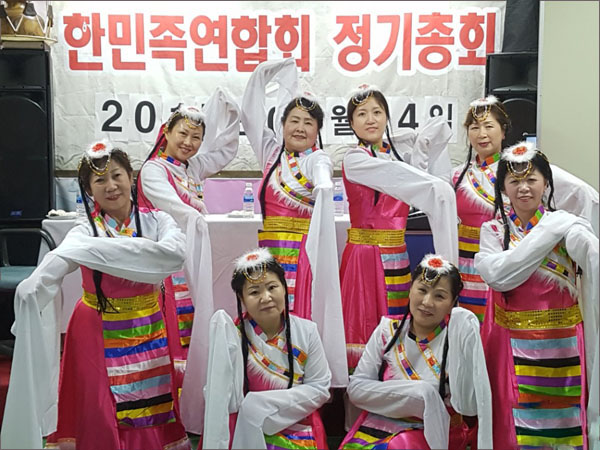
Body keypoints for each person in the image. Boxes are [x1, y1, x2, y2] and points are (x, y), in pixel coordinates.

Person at [1, 142, 191, 449]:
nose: (111, 186)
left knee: (151, 403)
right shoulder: (84, 231)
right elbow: (56, 264)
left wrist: (101, 250)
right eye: (100, 180)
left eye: (117, 175)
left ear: (131, 177)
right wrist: (32, 288)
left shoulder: (158, 221)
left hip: (147, 324)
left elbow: (173, 254)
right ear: (89, 190)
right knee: (99, 405)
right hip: (96, 328)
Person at [475, 141, 599, 449]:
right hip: (511, 345)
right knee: (514, 427)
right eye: (514, 181)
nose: (524, 188)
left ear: (546, 183)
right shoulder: (493, 231)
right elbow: (496, 275)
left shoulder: (567, 227)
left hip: (563, 345)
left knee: (565, 428)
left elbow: (590, 253)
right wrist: (545, 236)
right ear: (502, 187)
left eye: (532, 180)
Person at [137, 88, 240, 433]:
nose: (189, 142)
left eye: (196, 137)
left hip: (189, 261)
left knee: (190, 333)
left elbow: (224, 152)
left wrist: (232, 114)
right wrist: (199, 219)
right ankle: (165, 416)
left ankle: (189, 408)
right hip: (166, 268)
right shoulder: (153, 170)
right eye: (183, 133)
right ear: (166, 132)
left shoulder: (191, 167)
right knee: (169, 337)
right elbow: (175, 209)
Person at [241, 58, 347, 387]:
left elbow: (322, 173)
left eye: (308, 123)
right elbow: (250, 113)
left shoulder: (317, 158)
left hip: (302, 256)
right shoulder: (271, 154)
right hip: (268, 254)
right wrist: (264, 72)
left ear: (317, 131)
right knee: (264, 316)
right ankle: (266, 382)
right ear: (283, 124)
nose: (300, 128)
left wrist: (324, 185)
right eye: (294, 121)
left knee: (298, 318)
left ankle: (301, 386)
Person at [339, 84, 459, 373]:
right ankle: (360, 388)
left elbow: (421, 177)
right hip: (365, 257)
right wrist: (435, 185)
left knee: (397, 319)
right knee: (364, 323)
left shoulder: (394, 157)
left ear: (386, 117)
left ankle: (395, 382)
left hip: (397, 254)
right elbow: (406, 179)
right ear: (351, 123)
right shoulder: (355, 159)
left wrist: (423, 150)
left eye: (377, 112)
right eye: (362, 114)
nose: (371, 119)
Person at [453, 96, 599, 324]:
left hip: (516, 259)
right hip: (470, 265)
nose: (482, 134)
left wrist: (578, 228)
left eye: (489, 126)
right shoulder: (457, 175)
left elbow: (583, 194)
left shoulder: (524, 167)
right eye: (474, 127)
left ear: (503, 131)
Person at [340, 254, 492, 450]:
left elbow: (467, 404)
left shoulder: (456, 339)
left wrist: (393, 396)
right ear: (410, 290)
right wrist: (421, 393)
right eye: (422, 290)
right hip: (379, 425)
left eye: (439, 296)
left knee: (398, 446)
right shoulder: (388, 331)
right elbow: (356, 389)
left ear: (452, 302)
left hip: (438, 431)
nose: (427, 302)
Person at [202, 248, 331, 449]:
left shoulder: (307, 331)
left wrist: (263, 406)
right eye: (254, 292)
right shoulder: (233, 336)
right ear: (242, 299)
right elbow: (221, 394)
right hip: (244, 425)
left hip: (297, 419)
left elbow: (320, 387)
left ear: (284, 288)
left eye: (272, 287)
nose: (266, 297)